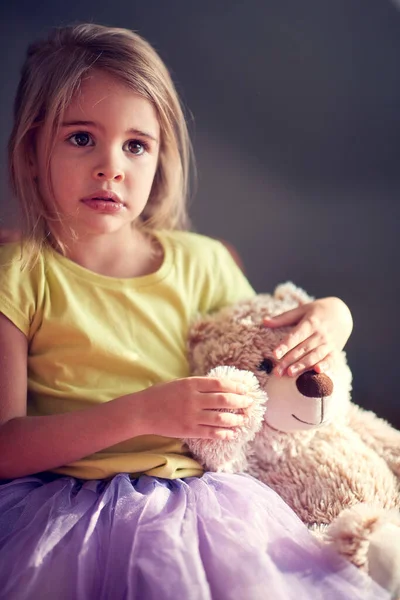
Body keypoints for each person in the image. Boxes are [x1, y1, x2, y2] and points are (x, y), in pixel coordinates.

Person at [0, 23, 389, 600]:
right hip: (66, 515)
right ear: (32, 151)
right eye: (81, 138)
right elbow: (6, 447)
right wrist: (140, 413)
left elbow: (263, 345)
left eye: (136, 145)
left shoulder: (201, 262)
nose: (112, 166)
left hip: (207, 504)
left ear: (161, 157)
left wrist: (335, 315)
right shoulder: (19, 276)